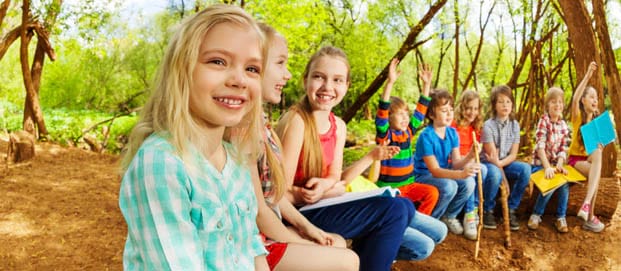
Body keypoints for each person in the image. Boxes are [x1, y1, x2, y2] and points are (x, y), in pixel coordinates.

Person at [119, 5, 268, 270]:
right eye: (218, 61)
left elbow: (252, 250)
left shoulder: (234, 160)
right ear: (181, 70)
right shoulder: (161, 164)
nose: (239, 80)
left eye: (252, 69)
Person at [275, 46, 414, 271]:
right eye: (319, 77)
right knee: (394, 211)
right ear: (305, 80)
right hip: (296, 214)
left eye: (338, 80)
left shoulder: (338, 126)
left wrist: (326, 186)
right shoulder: (297, 122)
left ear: (347, 86)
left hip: (323, 204)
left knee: (406, 206)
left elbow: (334, 176)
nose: (327, 87)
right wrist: (314, 192)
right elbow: (278, 193)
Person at [252, 23, 359, 271]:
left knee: (396, 214)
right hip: (260, 238)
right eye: (280, 64)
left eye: (338, 80)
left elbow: (271, 198)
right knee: (350, 254)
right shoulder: (293, 122)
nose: (287, 74)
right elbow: (271, 202)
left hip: (282, 220)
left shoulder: (261, 124)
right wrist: (304, 234)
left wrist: (309, 229)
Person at [372, 58, 439, 216]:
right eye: (399, 114)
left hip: (409, 185)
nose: (405, 118)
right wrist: (390, 83)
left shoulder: (408, 132)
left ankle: (419, 221)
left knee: (432, 193)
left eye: (406, 114)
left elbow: (420, 111)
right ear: (389, 118)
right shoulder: (386, 135)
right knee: (400, 208)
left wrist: (426, 85)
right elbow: (382, 110)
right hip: (390, 190)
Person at [413, 89, 478, 237]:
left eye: (450, 110)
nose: (449, 114)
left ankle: (449, 216)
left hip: (444, 171)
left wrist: (470, 155)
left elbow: (455, 162)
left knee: (469, 183)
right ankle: (430, 221)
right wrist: (460, 174)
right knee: (450, 185)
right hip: (424, 174)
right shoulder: (426, 136)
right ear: (431, 114)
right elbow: (434, 170)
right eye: (444, 110)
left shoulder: (451, 133)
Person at [451, 90, 501, 240]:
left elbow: (478, 151)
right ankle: (470, 215)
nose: (472, 112)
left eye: (475, 108)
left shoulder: (476, 128)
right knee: (477, 170)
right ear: (462, 107)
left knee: (483, 170)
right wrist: (468, 161)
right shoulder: (454, 126)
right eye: (468, 108)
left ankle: (472, 211)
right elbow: (453, 155)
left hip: (471, 162)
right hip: (456, 163)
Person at [480, 85, 531, 231]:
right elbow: (491, 158)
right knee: (495, 174)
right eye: (501, 102)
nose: (505, 105)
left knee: (525, 169)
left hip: (504, 162)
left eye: (508, 102)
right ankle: (488, 209)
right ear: (494, 105)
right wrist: (504, 180)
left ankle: (511, 208)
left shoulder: (515, 125)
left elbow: (513, 155)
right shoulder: (487, 126)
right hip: (489, 164)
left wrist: (501, 163)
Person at [527, 87, 571, 233]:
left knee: (563, 183)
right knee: (552, 182)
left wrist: (559, 165)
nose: (557, 105)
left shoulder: (564, 125)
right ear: (547, 105)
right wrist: (547, 168)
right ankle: (536, 214)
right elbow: (540, 147)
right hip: (541, 165)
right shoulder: (544, 121)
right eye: (553, 102)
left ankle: (561, 217)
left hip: (553, 165)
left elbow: (563, 148)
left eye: (560, 102)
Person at [568, 61, 605, 232]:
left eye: (596, 97)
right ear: (584, 101)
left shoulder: (597, 122)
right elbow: (574, 98)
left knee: (598, 152)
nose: (595, 100)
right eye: (591, 96)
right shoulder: (577, 117)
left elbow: (595, 152)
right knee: (595, 176)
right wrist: (588, 75)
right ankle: (589, 215)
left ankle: (586, 205)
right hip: (574, 161)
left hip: (589, 161)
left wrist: (599, 147)